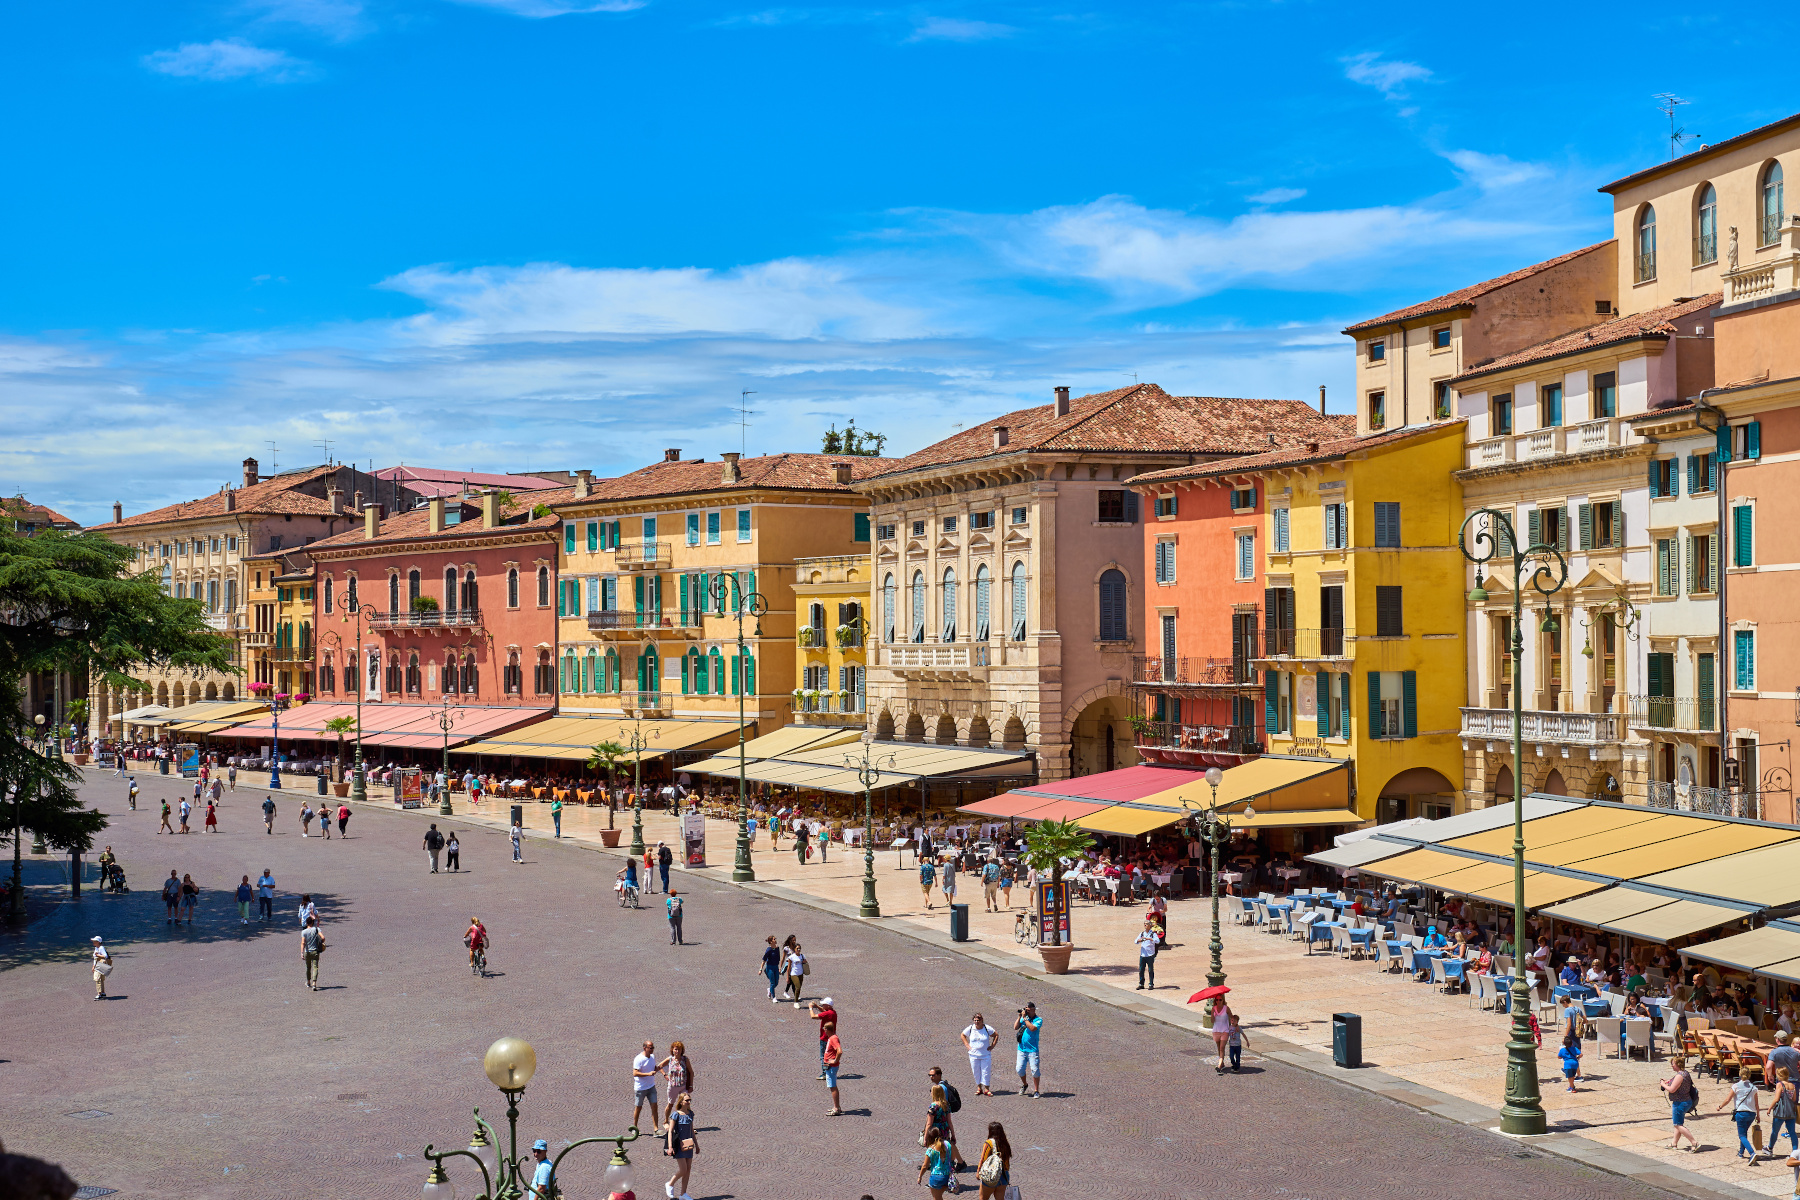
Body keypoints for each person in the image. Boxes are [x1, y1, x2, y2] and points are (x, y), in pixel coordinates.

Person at [1719, 1065, 1764, 1160]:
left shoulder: (1736, 1086)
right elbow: (1756, 1104)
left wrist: (1720, 1107)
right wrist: (1758, 1115)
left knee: (1742, 1135)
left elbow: (1728, 1099)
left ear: (1740, 1074)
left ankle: (1752, 1153)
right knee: (1744, 1132)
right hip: (1751, 1114)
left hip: (1741, 1113)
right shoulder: (1753, 1088)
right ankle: (1741, 1152)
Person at [1662, 1056, 1701, 1152]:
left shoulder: (1679, 1076)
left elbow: (1672, 1089)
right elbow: (1677, 1083)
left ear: (1678, 1064)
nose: (1672, 1066)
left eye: (1673, 1064)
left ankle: (1694, 1142)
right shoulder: (1685, 1073)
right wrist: (1668, 1081)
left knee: (1677, 1125)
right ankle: (1674, 1144)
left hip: (1680, 1103)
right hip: (1686, 1101)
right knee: (1678, 1123)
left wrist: (1663, 1085)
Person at [663, 1093, 697, 1200]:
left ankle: (683, 1194)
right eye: (686, 1100)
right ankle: (670, 1184)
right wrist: (670, 1147)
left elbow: (691, 1130)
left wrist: (697, 1145)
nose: (688, 1102)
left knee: (688, 1170)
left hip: (688, 1145)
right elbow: (670, 1131)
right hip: (679, 1145)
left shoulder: (690, 1114)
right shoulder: (675, 1115)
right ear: (681, 1101)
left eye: (689, 1100)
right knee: (683, 1169)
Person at [923, 1083, 958, 1178]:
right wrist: (953, 1134)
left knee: (935, 1154)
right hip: (945, 1131)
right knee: (945, 1153)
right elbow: (949, 1121)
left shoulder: (933, 1107)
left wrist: (925, 1138)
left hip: (935, 1132)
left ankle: (936, 1176)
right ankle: (947, 1175)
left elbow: (929, 1124)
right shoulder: (946, 1105)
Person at [961, 1013, 995, 1096]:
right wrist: (967, 1045)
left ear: (981, 1020)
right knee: (976, 1071)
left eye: (978, 1020)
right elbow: (963, 1035)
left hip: (985, 1055)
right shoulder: (971, 1028)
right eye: (975, 1020)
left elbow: (996, 1035)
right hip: (974, 1055)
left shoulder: (987, 1028)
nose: (976, 1022)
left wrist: (992, 1046)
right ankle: (979, 1088)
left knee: (986, 1071)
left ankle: (986, 1089)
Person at [976, 1121, 1011, 1200]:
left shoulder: (989, 1143)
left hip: (991, 1176)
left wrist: (978, 1172)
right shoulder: (1005, 1143)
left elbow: (983, 1159)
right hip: (1004, 1176)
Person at [632, 1040, 662, 1131]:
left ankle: (656, 1129)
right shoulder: (638, 1059)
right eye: (650, 1048)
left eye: (653, 1047)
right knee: (638, 1108)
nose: (652, 1049)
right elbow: (635, 1073)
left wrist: (658, 1069)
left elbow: (653, 1067)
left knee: (654, 1107)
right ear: (644, 1048)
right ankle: (634, 1127)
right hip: (640, 1088)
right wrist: (648, 1074)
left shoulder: (652, 1057)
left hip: (651, 1087)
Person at [1015, 1001, 1043, 1096]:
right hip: (1021, 1049)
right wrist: (1019, 1017)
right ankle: (1025, 1084)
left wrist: (1025, 1018)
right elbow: (1015, 1027)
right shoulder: (1023, 1018)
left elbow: (1032, 1028)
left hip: (1032, 1050)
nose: (1026, 1011)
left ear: (1033, 1010)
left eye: (1027, 1009)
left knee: (1035, 1071)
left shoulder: (1038, 1020)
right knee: (1019, 1069)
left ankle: (1036, 1090)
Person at [918, 1127, 952, 1199]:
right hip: (947, 1176)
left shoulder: (930, 1150)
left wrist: (920, 1176)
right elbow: (952, 1157)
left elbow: (925, 1166)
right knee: (939, 1197)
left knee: (936, 1198)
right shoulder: (947, 1144)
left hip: (936, 1177)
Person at [1774, 1067, 1800, 1158]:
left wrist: (1770, 1108)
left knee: (1775, 1131)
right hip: (1791, 1111)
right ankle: (1795, 1151)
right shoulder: (1793, 1085)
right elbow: (1794, 1099)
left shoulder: (1779, 1085)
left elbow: (1776, 1099)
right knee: (1792, 1132)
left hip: (1781, 1111)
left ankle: (1770, 1148)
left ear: (1779, 1076)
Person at [809, 997, 838, 1077]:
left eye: (823, 1004)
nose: (822, 1006)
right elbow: (823, 1011)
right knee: (830, 1055)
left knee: (823, 1056)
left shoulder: (827, 1013)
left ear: (828, 1006)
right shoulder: (833, 1012)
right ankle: (829, 1071)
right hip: (831, 1037)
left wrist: (811, 1008)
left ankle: (825, 1073)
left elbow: (813, 1016)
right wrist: (816, 1006)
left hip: (824, 1038)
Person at [661, 1040, 695, 1108]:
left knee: (685, 1103)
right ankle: (667, 1115)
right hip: (673, 1086)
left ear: (682, 1050)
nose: (677, 1051)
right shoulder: (670, 1059)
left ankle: (682, 1115)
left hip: (683, 1086)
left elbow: (691, 1072)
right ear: (672, 1050)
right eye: (676, 1049)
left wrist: (691, 1085)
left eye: (679, 1049)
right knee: (670, 1105)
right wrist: (664, 1074)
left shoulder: (685, 1059)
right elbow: (659, 1066)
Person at [821, 1021, 843, 1115]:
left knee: (832, 1086)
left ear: (827, 1029)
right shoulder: (832, 1038)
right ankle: (836, 1107)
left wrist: (835, 1060)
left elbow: (839, 1051)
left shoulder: (833, 1038)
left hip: (831, 1067)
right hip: (829, 1066)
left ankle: (836, 1108)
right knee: (832, 1086)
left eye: (824, 1028)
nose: (823, 1030)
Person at [1207, 996, 1232, 1072]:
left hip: (1225, 1031)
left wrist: (1233, 1027)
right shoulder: (1213, 1008)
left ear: (1223, 1000)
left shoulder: (1226, 1008)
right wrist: (1212, 1013)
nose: (1218, 1001)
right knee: (1219, 1048)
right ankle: (1222, 1064)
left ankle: (1219, 1065)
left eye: (1220, 1000)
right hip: (1216, 1031)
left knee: (1222, 1048)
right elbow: (1212, 1021)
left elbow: (1232, 1018)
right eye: (1217, 1000)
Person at [301, 915, 326, 990]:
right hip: (315, 951)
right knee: (315, 967)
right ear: (312, 922)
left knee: (308, 967)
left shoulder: (304, 932)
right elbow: (323, 938)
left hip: (307, 951)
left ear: (306, 923)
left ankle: (308, 982)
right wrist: (321, 943)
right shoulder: (317, 929)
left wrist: (302, 953)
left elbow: (303, 943)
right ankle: (314, 983)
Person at [1135, 920, 1160, 991]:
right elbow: (1135, 941)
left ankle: (1151, 984)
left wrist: (1149, 939)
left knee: (1150, 969)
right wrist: (1140, 940)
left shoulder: (1153, 934)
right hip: (1143, 954)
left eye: (1147, 924)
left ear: (1150, 925)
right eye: (1144, 924)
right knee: (1141, 969)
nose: (1145, 925)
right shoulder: (1142, 933)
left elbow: (1157, 941)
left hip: (1150, 955)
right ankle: (1141, 984)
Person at [785, 941, 807, 1006]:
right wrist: (787, 977)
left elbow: (805, 962)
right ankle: (796, 1002)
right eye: (797, 948)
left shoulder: (802, 956)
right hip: (794, 974)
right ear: (794, 949)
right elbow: (788, 968)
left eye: (799, 948)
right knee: (797, 986)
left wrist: (804, 961)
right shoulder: (791, 957)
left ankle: (796, 998)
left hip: (801, 974)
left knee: (799, 988)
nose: (798, 950)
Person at [761, 935, 782, 1002]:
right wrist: (761, 969)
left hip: (776, 967)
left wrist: (779, 968)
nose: (775, 940)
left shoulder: (777, 948)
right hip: (770, 967)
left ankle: (769, 990)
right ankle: (774, 997)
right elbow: (764, 959)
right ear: (770, 941)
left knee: (776, 982)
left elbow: (778, 958)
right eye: (774, 939)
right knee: (772, 983)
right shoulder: (768, 950)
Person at [90, 935, 112, 1001]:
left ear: (98, 942)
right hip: (98, 965)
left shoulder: (101, 948)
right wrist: (93, 966)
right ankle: (103, 993)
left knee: (97, 978)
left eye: (95, 941)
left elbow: (105, 956)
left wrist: (98, 955)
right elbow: (95, 959)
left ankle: (99, 994)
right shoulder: (96, 948)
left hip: (100, 965)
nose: (93, 942)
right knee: (101, 979)